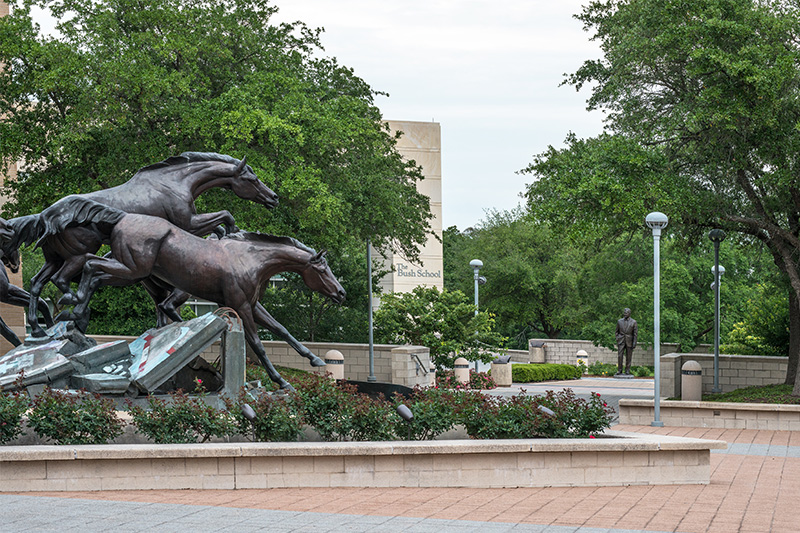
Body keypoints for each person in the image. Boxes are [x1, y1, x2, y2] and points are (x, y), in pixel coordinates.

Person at [615, 308, 638, 375]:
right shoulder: (619, 321)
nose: (625, 314)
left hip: (629, 341)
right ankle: (619, 370)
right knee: (620, 356)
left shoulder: (633, 322)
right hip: (621, 341)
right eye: (624, 313)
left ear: (629, 313)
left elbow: (635, 334)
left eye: (626, 313)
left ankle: (627, 370)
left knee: (629, 357)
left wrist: (634, 343)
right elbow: (616, 332)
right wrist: (618, 338)